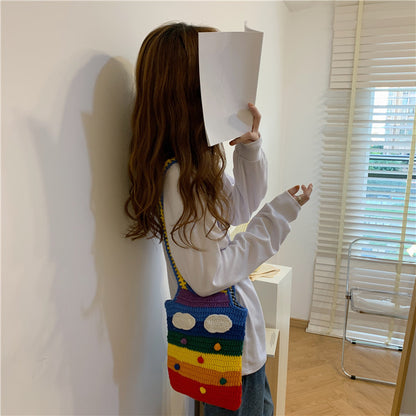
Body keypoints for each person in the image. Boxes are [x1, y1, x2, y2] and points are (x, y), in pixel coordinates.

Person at [125, 22, 312, 416]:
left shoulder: (194, 168)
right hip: (229, 348)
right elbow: (209, 276)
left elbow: (239, 209)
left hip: (236, 343)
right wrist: (278, 217)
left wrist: (250, 149)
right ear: (191, 92)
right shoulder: (181, 178)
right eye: (216, 75)